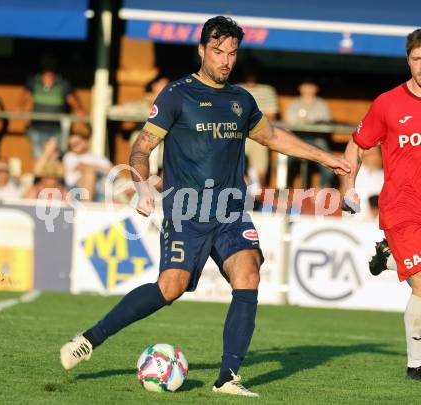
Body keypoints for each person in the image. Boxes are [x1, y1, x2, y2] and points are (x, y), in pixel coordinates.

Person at [60, 16, 350, 397]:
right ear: (201, 50)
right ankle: (90, 339)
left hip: (230, 211)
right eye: (217, 52)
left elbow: (274, 136)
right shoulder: (176, 95)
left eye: (231, 53)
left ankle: (227, 377)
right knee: (170, 288)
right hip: (186, 212)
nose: (225, 60)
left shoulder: (241, 101)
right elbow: (141, 147)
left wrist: (325, 158)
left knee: (249, 275)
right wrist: (143, 184)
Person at [342, 28, 421, 381]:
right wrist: (348, 187)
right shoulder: (388, 103)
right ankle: (416, 365)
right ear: (408, 60)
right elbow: (357, 144)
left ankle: (389, 260)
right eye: (418, 59)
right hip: (402, 208)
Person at [14, 55, 85, 158]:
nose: (48, 70)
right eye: (46, 66)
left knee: (58, 157)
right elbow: (24, 96)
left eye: (51, 67)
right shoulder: (34, 81)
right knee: (39, 157)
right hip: (36, 128)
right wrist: (18, 107)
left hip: (56, 129)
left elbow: (73, 101)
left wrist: (79, 110)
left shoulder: (63, 83)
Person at [285, 81, 335, 187]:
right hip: (297, 138)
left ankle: (321, 189)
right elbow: (288, 122)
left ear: (316, 88)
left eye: (311, 85)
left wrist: (309, 124)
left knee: (330, 165)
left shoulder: (322, 104)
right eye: (305, 85)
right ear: (300, 88)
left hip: (317, 139)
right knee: (287, 162)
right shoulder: (294, 103)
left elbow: (326, 123)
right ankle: (287, 189)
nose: (308, 89)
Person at [238, 64, 278, 185]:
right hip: (238, 136)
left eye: (253, 70)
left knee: (259, 176)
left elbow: (271, 115)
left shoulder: (267, 90)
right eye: (248, 69)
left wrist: (247, 118)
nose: (251, 72)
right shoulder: (236, 88)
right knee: (235, 173)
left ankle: (258, 201)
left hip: (259, 135)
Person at [63, 133, 112, 202]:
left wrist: (93, 168)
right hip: (74, 190)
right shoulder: (69, 156)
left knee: (116, 203)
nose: (73, 146)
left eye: (76, 143)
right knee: (89, 175)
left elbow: (113, 171)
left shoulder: (98, 157)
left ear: (86, 142)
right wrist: (100, 168)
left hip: (97, 191)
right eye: (71, 145)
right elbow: (81, 167)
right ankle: (86, 207)